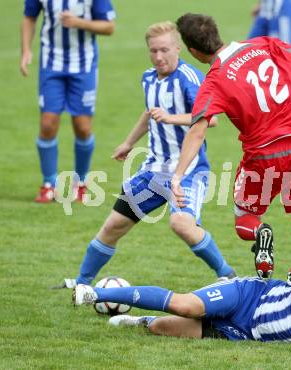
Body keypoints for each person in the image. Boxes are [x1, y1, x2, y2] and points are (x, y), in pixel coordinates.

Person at [59, 21, 235, 289]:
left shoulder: (191, 78)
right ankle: (81, 283)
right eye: (153, 51)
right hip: (153, 171)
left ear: (178, 48)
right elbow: (149, 112)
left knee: (181, 224)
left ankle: (227, 275)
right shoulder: (148, 77)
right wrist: (128, 142)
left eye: (164, 50)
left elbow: (210, 120)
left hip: (187, 171)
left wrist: (171, 118)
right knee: (113, 226)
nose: (159, 57)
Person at [172, 13, 291, 285]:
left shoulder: (214, 80)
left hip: (265, 155)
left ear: (193, 51)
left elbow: (198, 131)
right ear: (217, 33)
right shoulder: (265, 44)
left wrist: (177, 175)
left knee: (247, 216)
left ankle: (261, 233)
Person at [73, 249, 291, 354]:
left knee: (161, 329)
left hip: (243, 333)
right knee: (185, 306)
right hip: (248, 295)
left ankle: (139, 320)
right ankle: (93, 293)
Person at [21, 0, 116, 203]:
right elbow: (29, 16)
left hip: (84, 66)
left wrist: (79, 23)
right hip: (51, 65)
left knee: (82, 127)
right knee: (47, 123)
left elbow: (109, 26)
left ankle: (80, 183)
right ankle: (49, 184)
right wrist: (26, 50)